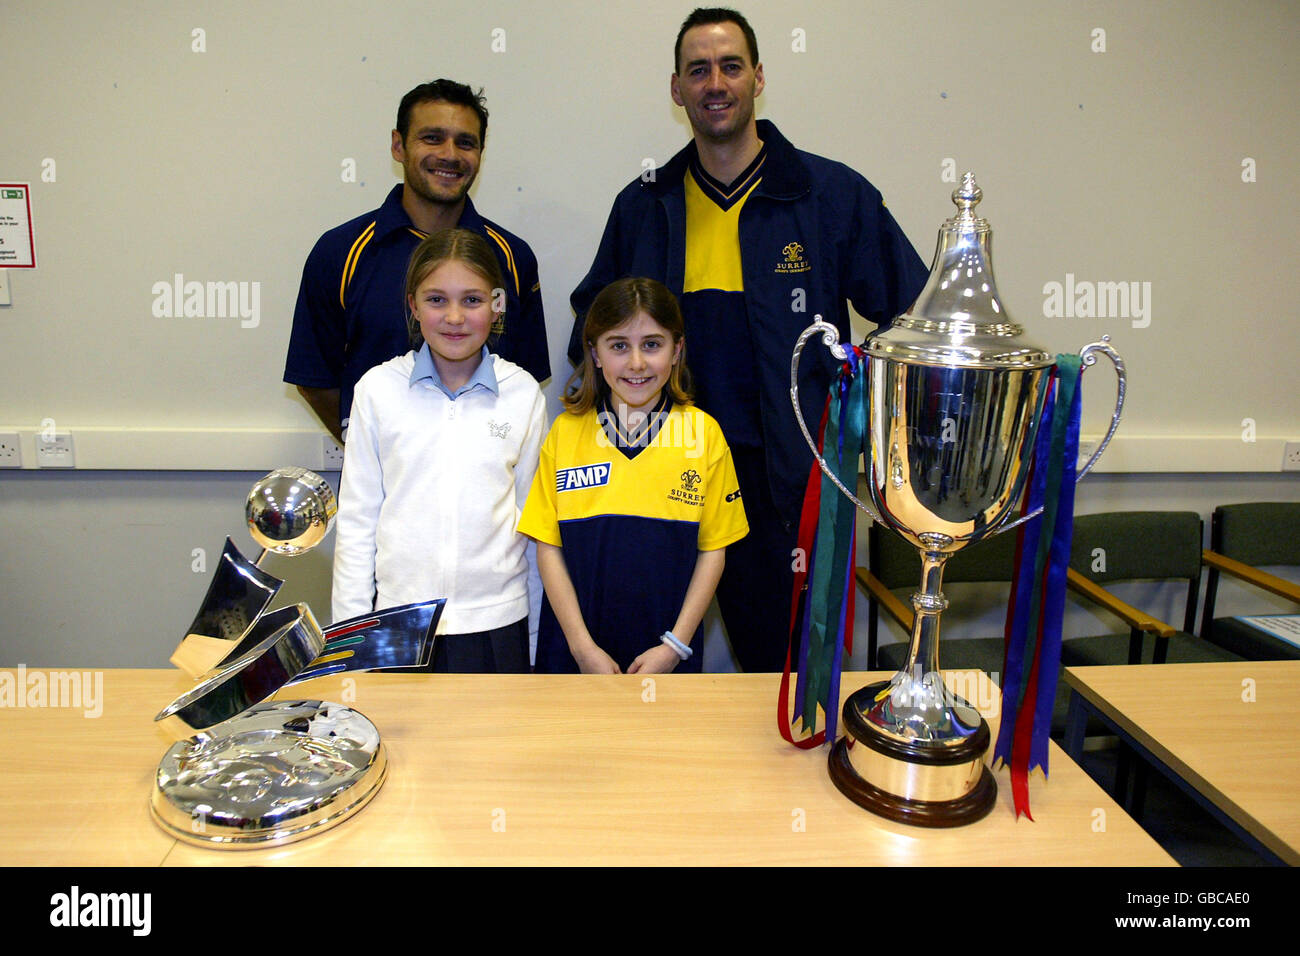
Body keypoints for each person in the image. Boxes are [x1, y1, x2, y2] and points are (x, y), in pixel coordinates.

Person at [567, 8, 929, 672]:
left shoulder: (829, 195)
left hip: (788, 490)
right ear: (676, 89)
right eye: (698, 69)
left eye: (731, 66)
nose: (716, 82)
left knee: (787, 680)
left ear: (758, 77)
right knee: (647, 672)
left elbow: (915, 317)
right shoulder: (644, 205)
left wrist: (865, 424)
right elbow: (589, 331)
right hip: (661, 481)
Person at [286, 79, 549, 445]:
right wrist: (381, 450)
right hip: (382, 493)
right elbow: (315, 380)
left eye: (466, 142)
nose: (450, 154)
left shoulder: (512, 257)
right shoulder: (340, 252)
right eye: (432, 138)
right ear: (398, 145)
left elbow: (523, 378)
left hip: (487, 488)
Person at [332, 229, 546, 672]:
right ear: (412, 305)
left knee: (493, 744)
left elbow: (535, 527)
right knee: (403, 743)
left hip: (496, 624)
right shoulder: (376, 391)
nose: (454, 317)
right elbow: (356, 526)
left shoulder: (522, 394)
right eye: (436, 300)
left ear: (496, 304)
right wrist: (348, 643)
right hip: (396, 624)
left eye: (472, 300)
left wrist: (534, 640)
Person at [520, 277, 748, 674]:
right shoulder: (565, 433)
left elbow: (714, 551)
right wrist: (581, 648)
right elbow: (549, 547)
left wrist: (674, 647)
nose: (637, 363)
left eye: (652, 345)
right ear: (594, 354)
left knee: (660, 738)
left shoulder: (704, 434)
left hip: (667, 653)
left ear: (677, 350)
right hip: (575, 652)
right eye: (619, 345)